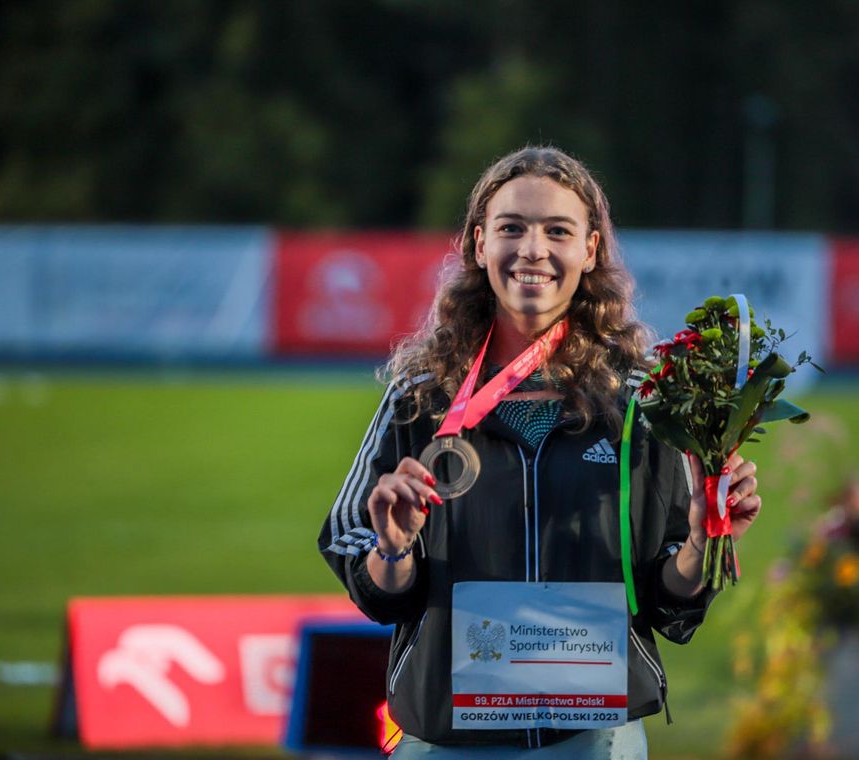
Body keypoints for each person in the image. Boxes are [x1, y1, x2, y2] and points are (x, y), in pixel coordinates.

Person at [318, 146, 761, 758]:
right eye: (511, 228)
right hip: (449, 738)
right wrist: (392, 551)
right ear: (479, 244)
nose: (533, 249)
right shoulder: (419, 397)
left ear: (590, 250)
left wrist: (700, 541)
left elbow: (670, 599)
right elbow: (357, 554)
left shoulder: (643, 398)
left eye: (558, 230)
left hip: (592, 739)